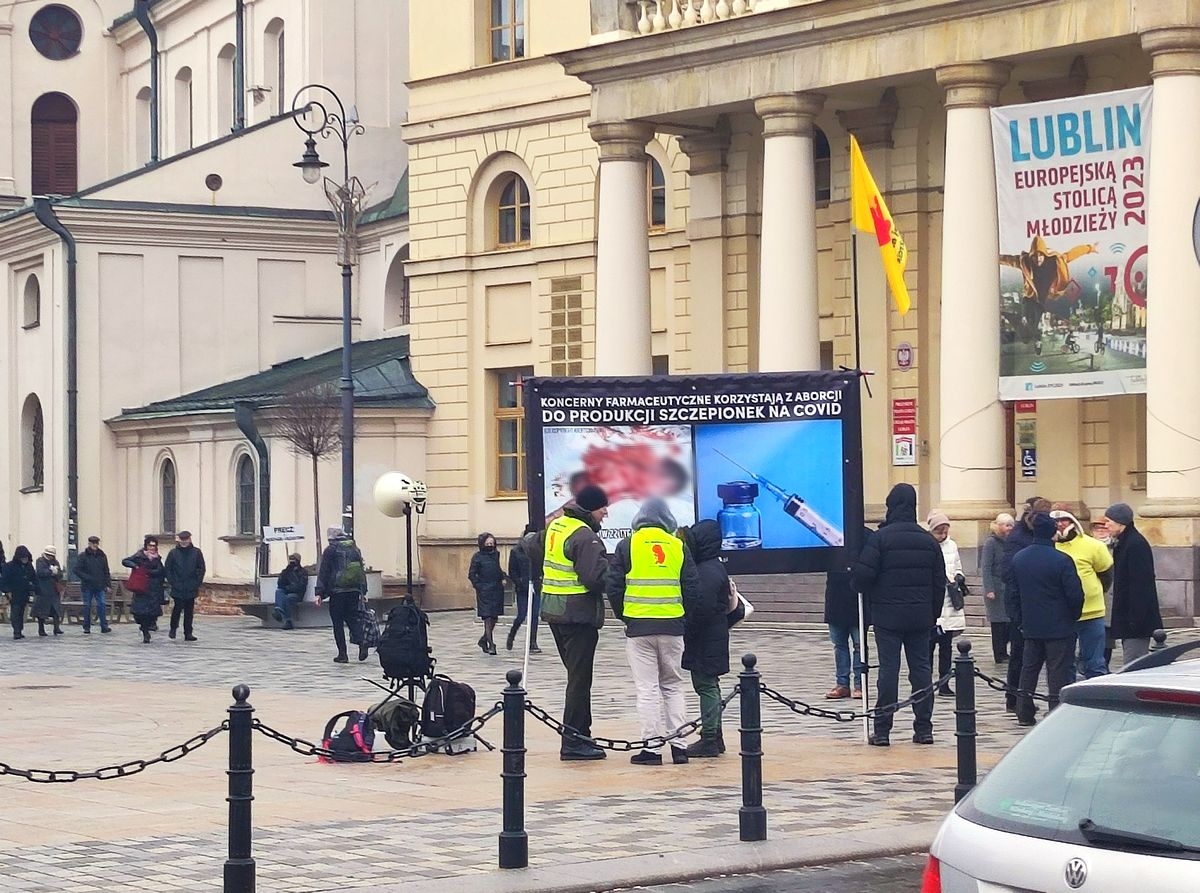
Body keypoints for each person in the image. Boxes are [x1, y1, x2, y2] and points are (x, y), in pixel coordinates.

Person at [608, 498, 701, 766]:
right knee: (673, 685)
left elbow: (613, 586)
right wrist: (683, 618)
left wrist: (625, 616)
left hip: (639, 628)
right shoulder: (678, 546)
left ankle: (651, 749)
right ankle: (680, 747)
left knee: (647, 688)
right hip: (673, 626)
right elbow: (692, 588)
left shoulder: (627, 545)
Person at [852, 483, 945, 747]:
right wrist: (932, 614)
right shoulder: (928, 540)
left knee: (888, 671)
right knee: (921, 671)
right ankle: (924, 728)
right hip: (920, 616)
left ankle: (882, 730)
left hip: (887, 617)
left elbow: (863, 577)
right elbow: (939, 583)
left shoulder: (880, 539)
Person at [527, 484, 611, 761]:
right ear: (590, 509)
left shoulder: (556, 526)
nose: (605, 514)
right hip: (578, 615)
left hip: (554, 610)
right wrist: (615, 571)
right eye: (602, 509)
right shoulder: (584, 536)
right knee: (579, 680)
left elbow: (528, 544)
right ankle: (574, 740)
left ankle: (580, 735)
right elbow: (594, 579)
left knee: (576, 676)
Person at [1012, 513, 1085, 725]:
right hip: (1060, 625)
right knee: (1058, 672)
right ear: (1053, 532)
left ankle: (1024, 711)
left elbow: (1013, 594)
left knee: (1029, 669)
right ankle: (1055, 713)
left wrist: (1020, 619)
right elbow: (1075, 594)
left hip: (1031, 624)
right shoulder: (1062, 560)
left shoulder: (1020, 558)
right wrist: (1074, 616)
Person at [681, 519, 744, 758]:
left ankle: (709, 737)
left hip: (706, 638)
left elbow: (701, 608)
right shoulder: (714, 566)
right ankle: (715, 736)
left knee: (706, 686)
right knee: (710, 685)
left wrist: (687, 629)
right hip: (714, 637)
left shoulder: (705, 570)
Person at [1001, 496, 1052, 714]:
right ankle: (1015, 698)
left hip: (1040, 602)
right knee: (1020, 655)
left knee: (1031, 657)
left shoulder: (1035, 536)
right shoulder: (1018, 537)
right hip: (1021, 603)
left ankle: (1024, 699)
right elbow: (1008, 573)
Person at [1051, 508, 1114, 678]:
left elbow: (1106, 574)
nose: (1059, 524)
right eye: (1055, 521)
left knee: (1095, 662)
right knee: (1066, 663)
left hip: (1091, 612)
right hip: (1062, 614)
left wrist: (1094, 592)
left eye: (1064, 519)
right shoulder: (1050, 547)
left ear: (1073, 522)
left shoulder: (1094, 545)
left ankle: (1095, 699)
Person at [1105, 503, 1163, 665]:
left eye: (1109, 521)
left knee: (1134, 663)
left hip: (1135, 620)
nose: (1106, 525)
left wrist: (1135, 619)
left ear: (1120, 523)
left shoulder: (1134, 544)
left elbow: (1141, 585)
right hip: (1129, 617)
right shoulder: (1123, 543)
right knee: (1131, 660)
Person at [823, 527, 873, 700]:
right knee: (839, 644)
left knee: (859, 645)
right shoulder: (832, 531)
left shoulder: (866, 535)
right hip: (836, 598)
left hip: (858, 597)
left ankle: (860, 684)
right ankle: (842, 683)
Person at [315, 527, 370, 663]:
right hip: (354, 590)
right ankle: (362, 641)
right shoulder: (353, 548)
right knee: (352, 617)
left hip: (337, 591)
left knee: (337, 622)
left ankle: (342, 654)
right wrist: (363, 590)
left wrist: (319, 593)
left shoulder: (331, 550)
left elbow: (324, 571)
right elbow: (361, 570)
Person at [928, 512, 966, 696]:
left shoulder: (952, 545)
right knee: (928, 646)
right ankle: (925, 683)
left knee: (946, 648)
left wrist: (959, 577)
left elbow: (958, 566)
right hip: (932, 602)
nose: (942, 535)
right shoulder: (926, 545)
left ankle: (944, 682)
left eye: (944, 531)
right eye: (938, 532)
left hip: (949, 601)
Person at [980, 513, 1014, 663]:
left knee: (1008, 622)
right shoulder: (990, 543)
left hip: (1008, 587)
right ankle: (999, 654)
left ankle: (1005, 651)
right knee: (998, 623)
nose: (1010, 528)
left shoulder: (1011, 542)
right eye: (1007, 525)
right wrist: (989, 589)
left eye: (1011, 525)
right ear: (999, 526)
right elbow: (986, 567)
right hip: (995, 589)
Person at [468, 532, 506, 655]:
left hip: (496, 589)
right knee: (488, 618)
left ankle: (483, 640)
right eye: (487, 543)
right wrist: (479, 586)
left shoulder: (496, 555)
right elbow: (472, 574)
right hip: (484, 590)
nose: (490, 545)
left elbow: (497, 569)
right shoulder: (477, 557)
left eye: (492, 543)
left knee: (494, 617)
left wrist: (503, 577)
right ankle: (491, 644)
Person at [163, 531, 205, 641]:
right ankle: (173, 628)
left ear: (190, 539)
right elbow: (168, 569)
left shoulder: (196, 552)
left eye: (186, 539)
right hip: (177, 585)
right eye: (182, 539)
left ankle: (188, 633)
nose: (184, 542)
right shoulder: (173, 553)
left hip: (191, 586)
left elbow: (201, 569)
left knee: (189, 611)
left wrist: (197, 583)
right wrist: (172, 582)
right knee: (177, 608)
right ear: (179, 540)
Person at [505, 523, 540, 653]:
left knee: (535, 615)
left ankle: (532, 642)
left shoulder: (538, 550)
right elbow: (512, 571)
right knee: (522, 615)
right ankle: (512, 635)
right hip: (522, 589)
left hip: (535, 587)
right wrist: (519, 583)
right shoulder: (516, 551)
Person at [124, 537, 166, 644]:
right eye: (150, 545)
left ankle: (148, 630)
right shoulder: (140, 556)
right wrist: (136, 566)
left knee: (151, 613)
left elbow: (161, 571)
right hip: (142, 589)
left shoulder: (157, 558)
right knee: (141, 612)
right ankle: (144, 630)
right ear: (146, 546)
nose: (152, 548)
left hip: (154, 589)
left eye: (154, 545)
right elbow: (125, 561)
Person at [73, 535, 113, 635]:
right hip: (87, 586)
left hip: (100, 585)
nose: (95, 545)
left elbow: (106, 571)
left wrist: (108, 584)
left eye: (96, 543)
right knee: (87, 606)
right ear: (89, 544)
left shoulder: (102, 555)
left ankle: (104, 626)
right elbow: (76, 570)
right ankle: (87, 626)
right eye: (93, 543)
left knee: (102, 604)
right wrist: (87, 577)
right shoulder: (83, 556)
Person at [4, 546, 37, 640]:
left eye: (26, 558)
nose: (25, 560)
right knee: (15, 612)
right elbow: (4, 580)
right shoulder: (10, 566)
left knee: (22, 612)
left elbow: (33, 578)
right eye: (23, 558)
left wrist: (35, 589)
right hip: (14, 592)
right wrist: (7, 591)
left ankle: (20, 629)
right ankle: (16, 631)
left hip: (25, 592)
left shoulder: (29, 566)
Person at [32, 546, 65, 637]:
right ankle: (41, 629)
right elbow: (40, 572)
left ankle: (56, 628)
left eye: (52, 555)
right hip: (43, 590)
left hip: (54, 590)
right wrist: (50, 571)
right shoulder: (40, 561)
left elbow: (60, 574)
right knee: (41, 611)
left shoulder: (55, 562)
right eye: (49, 555)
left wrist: (57, 573)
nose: (51, 557)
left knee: (56, 610)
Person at [272, 553, 309, 630]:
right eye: (291, 560)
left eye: (294, 560)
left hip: (297, 594)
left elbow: (300, 587)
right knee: (279, 591)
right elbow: (280, 584)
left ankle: (288, 620)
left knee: (288, 598)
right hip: (286, 592)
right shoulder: (286, 571)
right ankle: (278, 610)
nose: (292, 562)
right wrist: (285, 572)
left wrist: (288, 588)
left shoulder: (302, 572)